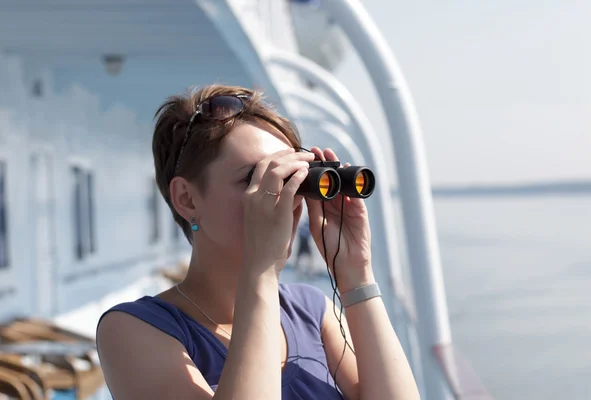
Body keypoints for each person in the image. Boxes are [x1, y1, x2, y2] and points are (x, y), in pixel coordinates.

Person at [96, 85, 420, 400]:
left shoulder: (312, 311)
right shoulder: (132, 330)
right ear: (187, 199)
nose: (281, 198)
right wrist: (262, 270)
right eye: (254, 179)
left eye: (291, 180)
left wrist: (355, 273)